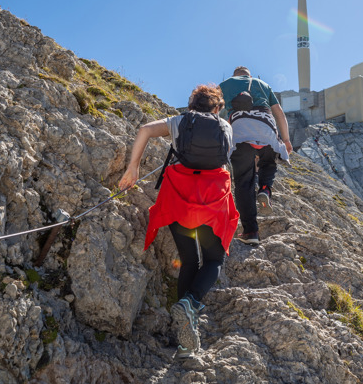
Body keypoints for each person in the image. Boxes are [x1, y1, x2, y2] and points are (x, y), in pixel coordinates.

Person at [118, 84, 238, 359]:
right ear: (217, 108)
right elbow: (223, 162)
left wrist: (133, 167)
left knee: (188, 258)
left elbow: (145, 129)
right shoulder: (226, 127)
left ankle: (184, 328)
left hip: (179, 197)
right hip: (211, 202)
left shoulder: (180, 121)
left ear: (191, 105)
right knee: (213, 260)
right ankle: (190, 305)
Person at [218, 66, 293, 246]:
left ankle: (251, 231)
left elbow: (213, 109)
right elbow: (279, 113)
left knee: (244, 183)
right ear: (249, 75)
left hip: (240, 131)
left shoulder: (224, 85)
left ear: (234, 75)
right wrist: (286, 140)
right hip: (266, 129)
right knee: (268, 162)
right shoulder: (263, 84)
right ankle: (266, 188)